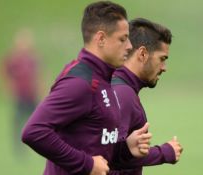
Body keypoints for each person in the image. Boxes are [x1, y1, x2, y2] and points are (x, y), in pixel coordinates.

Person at [22, 2, 151, 175]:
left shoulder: (104, 78)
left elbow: (93, 142)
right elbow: (34, 131)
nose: (129, 46)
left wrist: (125, 148)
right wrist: (86, 164)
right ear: (101, 39)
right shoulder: (80, 83)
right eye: (122, 39)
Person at [110, 18, 183, 175]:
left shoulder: (118, 85)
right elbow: (108, 154)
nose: (164, 68)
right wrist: (164, 153)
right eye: (162, 59)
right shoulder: (123, 93)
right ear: (142, 54)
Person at [1, 28, 40, 155]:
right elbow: (3, 72)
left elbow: (38, 75)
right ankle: (19, 148)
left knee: (37, 120)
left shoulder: (32, 59)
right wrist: (8, 86)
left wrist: (41, 88)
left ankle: (38, 144)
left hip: (32, 95)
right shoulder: (12, 59)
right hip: (20, 96)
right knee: (18, 122)